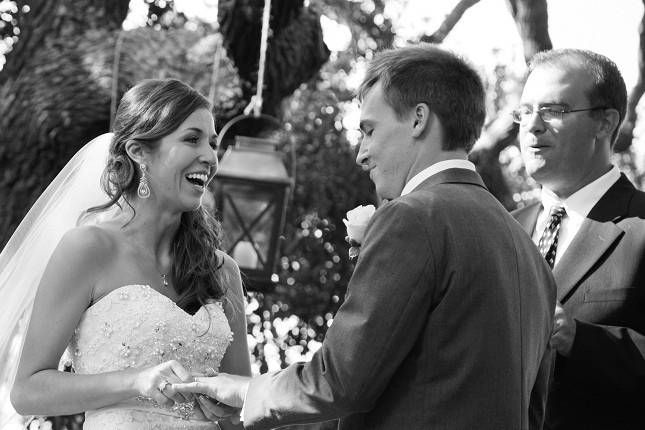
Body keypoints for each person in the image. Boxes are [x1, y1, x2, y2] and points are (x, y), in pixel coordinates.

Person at [174, 44, 556, 430]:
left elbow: (340, 380)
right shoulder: (528, 250)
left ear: (419, 119)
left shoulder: (412, 219)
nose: (361, 154)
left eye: (369, 130)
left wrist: (246, 391)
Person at [0, 78, 251, 429]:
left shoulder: (222, 271)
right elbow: (27, 390)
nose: (210, 157)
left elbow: (240, 405)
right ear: (138, 151)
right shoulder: (87, 249)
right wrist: (134, 381)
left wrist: (233, 408)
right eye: (192, 139)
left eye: (212, 143)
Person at [511, 48, 645, 429]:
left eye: (553, 110)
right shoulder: (500, 231)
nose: (532, 126)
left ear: (605, 123)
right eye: (524, 112)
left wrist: (577, 339)